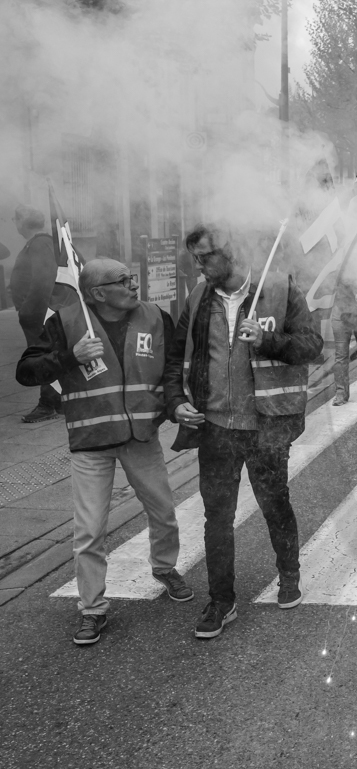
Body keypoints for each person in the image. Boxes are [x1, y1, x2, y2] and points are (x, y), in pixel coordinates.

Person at [16, 259, 190, 646]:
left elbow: (174, 366)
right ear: (97, 293)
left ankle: (164, 568)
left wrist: (176, 403)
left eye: (131, 277)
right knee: (90, 530)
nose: (133, 284)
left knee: (163, 512)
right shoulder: (65, 322)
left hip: (141, 438)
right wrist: (69, 357)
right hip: (91, 443)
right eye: (123, 280)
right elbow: (25, 372)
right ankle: (92, 609)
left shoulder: (155, 317)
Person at [165, 224, 324, 639]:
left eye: (205, 258)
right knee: (217, 516)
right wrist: (174, 402)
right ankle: (221, 600)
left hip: (266, 426)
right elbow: (173, 357)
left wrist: (269, 339)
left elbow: (312, 345)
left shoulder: (278, 287)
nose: (198, 266)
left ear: (230, 251)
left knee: (275, 505)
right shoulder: (199, 298)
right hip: (216, 428)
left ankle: (289, 574)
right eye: (195, 259)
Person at [10, 204, 74, 423]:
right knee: (50, 354)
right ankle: (58, 402)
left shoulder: (39, 244)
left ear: (21, 222)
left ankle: (48, 404)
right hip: (43, 311)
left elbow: (41, 282)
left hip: (40, 313)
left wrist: (28, 310)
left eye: (14, 219)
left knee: (43, 356)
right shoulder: (42, 243)